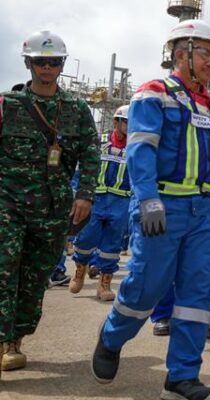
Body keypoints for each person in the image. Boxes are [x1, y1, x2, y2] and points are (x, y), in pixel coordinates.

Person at [91, 19, 210, 399]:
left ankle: (182, 376)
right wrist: (148, 198)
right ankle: (111, 337)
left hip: (203, 210)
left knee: (197, 293)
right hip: (164, 205)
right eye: (205, 54)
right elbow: (141, 150)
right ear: (181, 53)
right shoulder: (153, 93)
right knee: (146, 287)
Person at [0, 30, 99, 377]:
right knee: (4, 267)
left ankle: (17, 337)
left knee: (35, 275)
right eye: (40, 62)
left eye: (54, 62)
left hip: (52, 208)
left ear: (62, 65)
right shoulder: (7, 105)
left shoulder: (76, 109)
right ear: (29, 63)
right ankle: (4, 341)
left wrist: (85, 194)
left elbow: (90, 153)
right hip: (7, 203)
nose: (47, 68)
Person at [69, 105, 132, 301]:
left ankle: (104, 283)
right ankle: (80, 269)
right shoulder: (98, 141)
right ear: (116, 122)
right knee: (86, 237)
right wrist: (77, 193)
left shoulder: (136, 147)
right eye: (127, 122)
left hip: (121, 201)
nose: (131, 126)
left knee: (112, 244)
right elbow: (81, 169)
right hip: (95, 199)